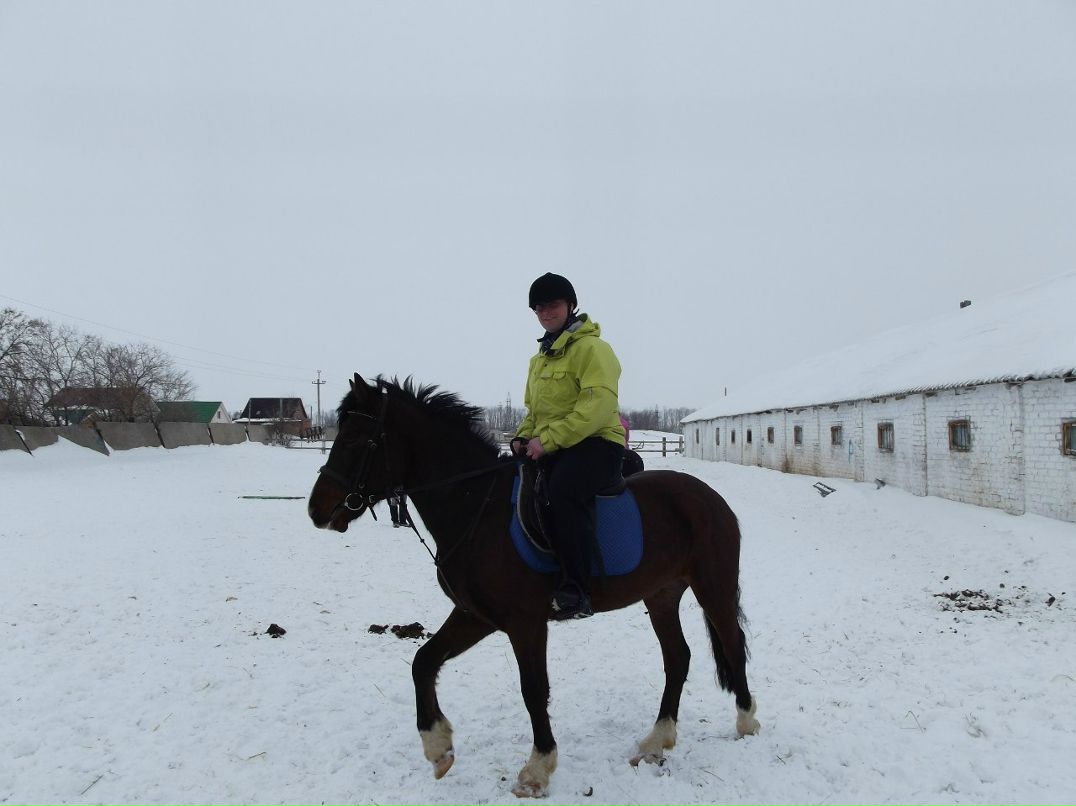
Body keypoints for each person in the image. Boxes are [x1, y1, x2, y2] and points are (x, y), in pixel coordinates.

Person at [511, 272, 626, 620]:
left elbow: (596, 407)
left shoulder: (593, 349)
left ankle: (576, 588)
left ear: (571, 305)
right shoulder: (539, 360)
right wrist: (522, 436)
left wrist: (546, 441)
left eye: (553, 305)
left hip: (597, 444)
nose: (546, 312)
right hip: (557, 445)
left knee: (562, 489)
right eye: (540, 307)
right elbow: (535, 413)